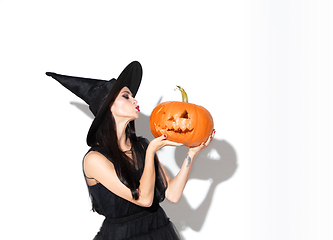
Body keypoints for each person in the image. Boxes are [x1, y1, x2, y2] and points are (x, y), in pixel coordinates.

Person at [46, 61, 215, 240]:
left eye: (132, 95)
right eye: (126, 96)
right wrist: (151, 152)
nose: (135, 100)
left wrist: (192, 154)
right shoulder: (94, 160)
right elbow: (144, 199)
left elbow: (172, 194)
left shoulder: (141, 146)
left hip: (158, 229)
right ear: (108, 106)